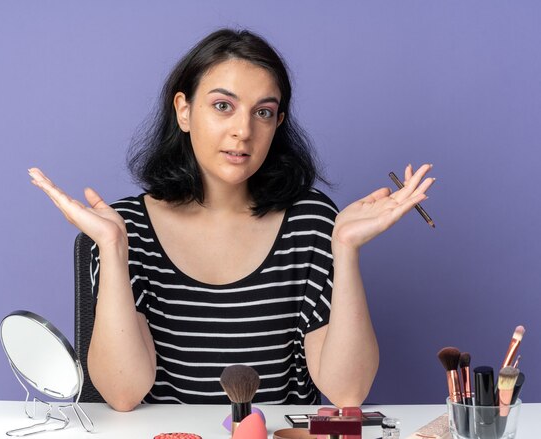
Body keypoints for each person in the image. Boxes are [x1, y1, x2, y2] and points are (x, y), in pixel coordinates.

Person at [28, 28, 434, 411]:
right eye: (223, 106)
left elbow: (348, 392)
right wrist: (113, 249)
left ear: (278, 123)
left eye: (263, 112)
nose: (243, 130)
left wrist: (344, 249)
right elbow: (122, 393)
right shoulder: (127, 228)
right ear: (183, 111)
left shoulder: (310, 223)